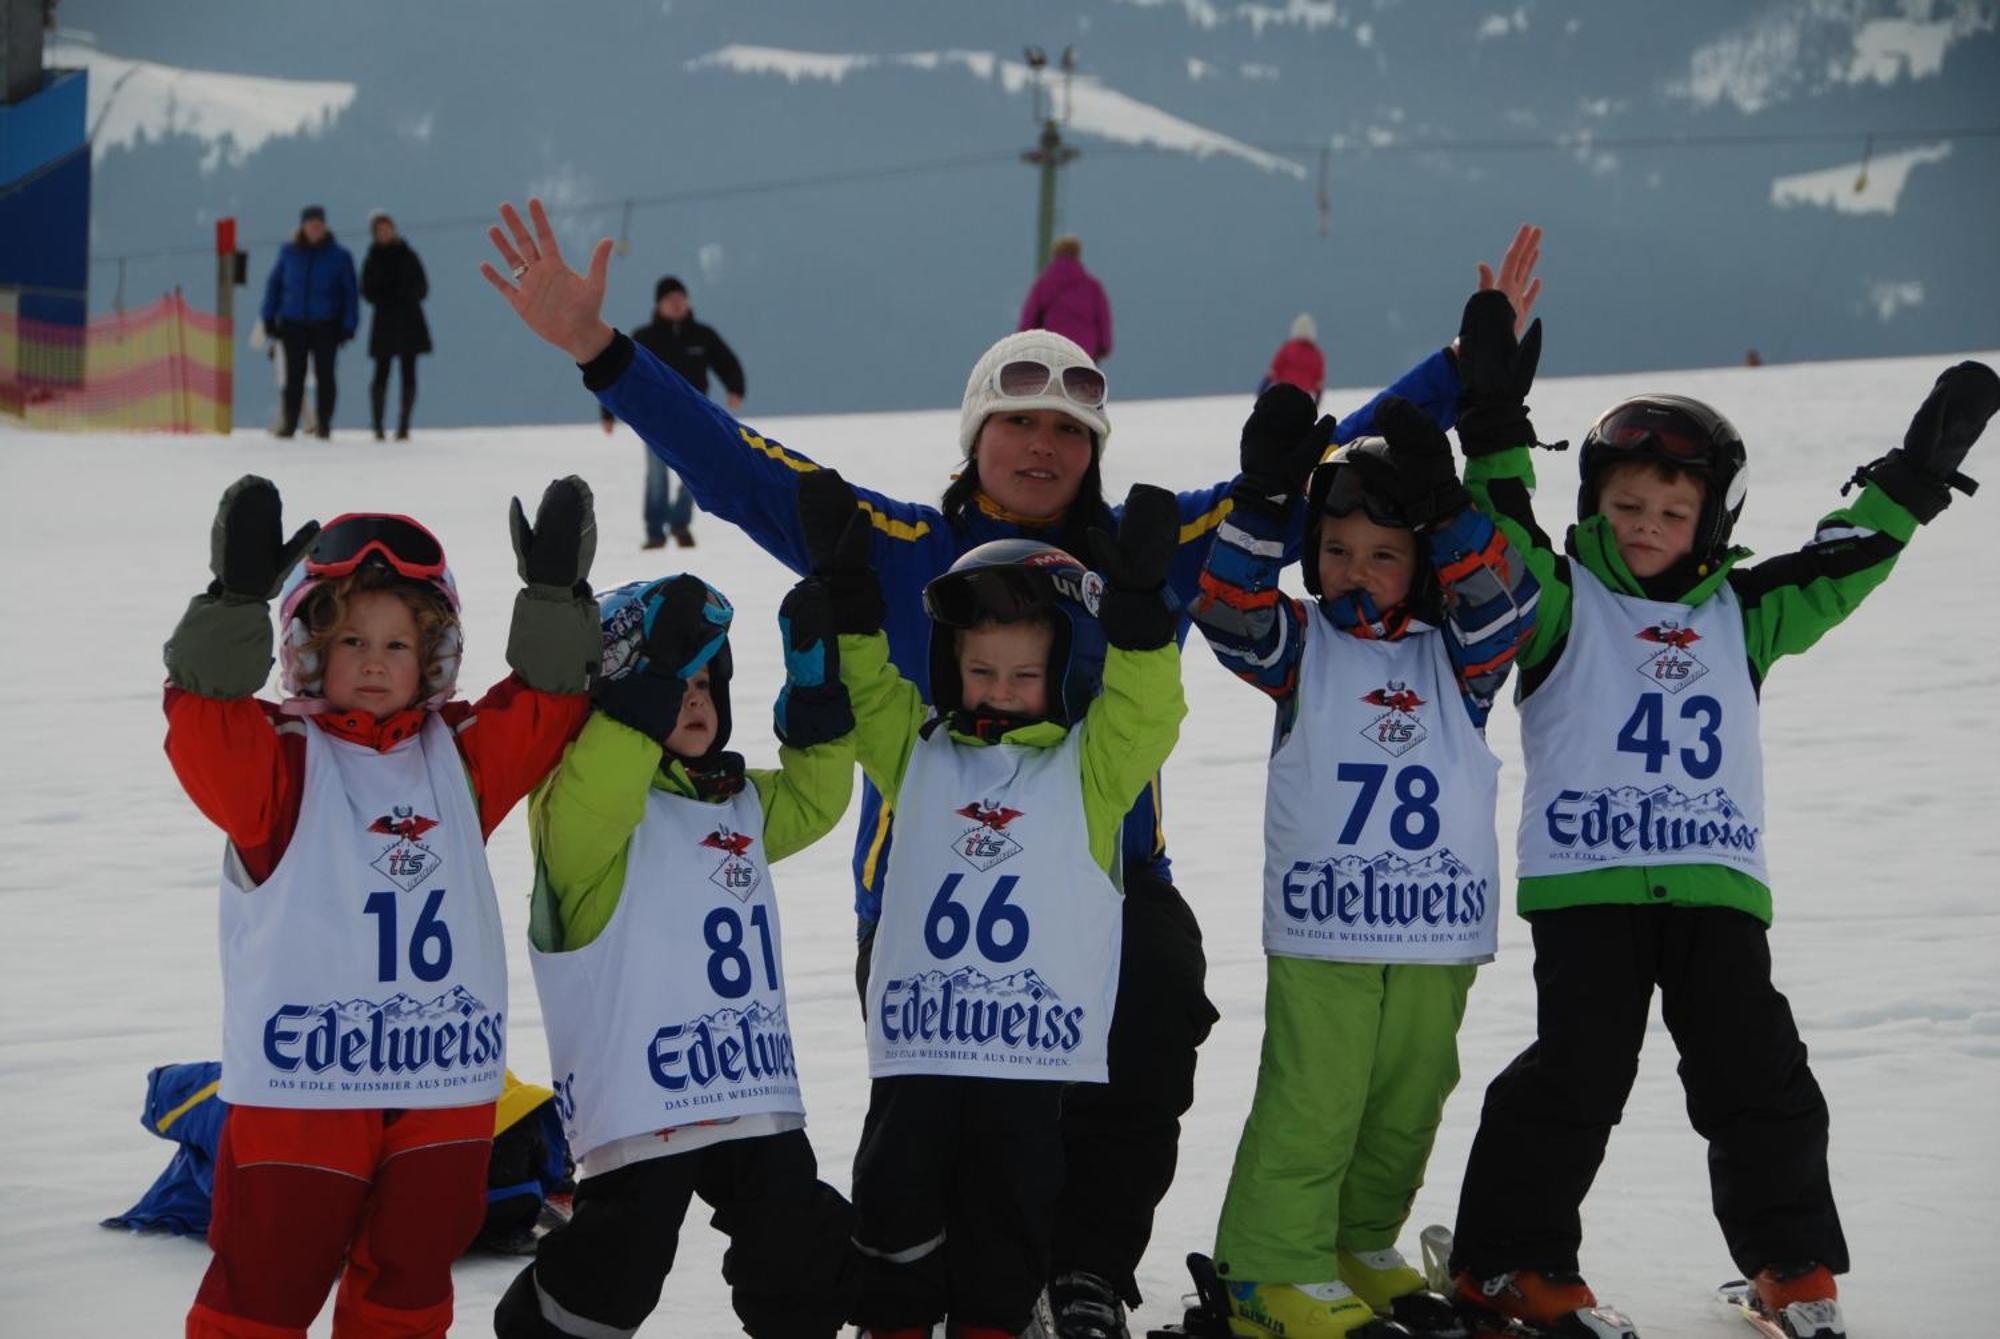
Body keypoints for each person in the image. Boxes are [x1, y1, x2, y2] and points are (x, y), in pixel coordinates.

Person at [480, 199, 1543, 1338]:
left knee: (1148, 1024)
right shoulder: (902, 554)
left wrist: (1451, 375)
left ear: (1093, 448)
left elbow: (1296, 477)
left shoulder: (1145, 548)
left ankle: (1081, 1273)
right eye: (1016, 422)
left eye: (1067, 431)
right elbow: (737, 470)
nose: (1042, 446)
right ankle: (933, 1291)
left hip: (1105, 883)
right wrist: (602, 352)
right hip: (932, 899)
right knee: (935, 1143)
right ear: (974, 437)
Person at [1443, 292, 2000, 1337]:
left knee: (1759, 1077)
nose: (1647, 527)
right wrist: (1487, 423)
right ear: (1592, 505)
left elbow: (1843, 560)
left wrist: (1913, 479)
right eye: (1625, 506)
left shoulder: (1740, 612)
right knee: (1574, 1075)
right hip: (1587, 885)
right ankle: (1506, 1264)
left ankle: (1789, 1261)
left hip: (1714, 886)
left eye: (1672, 511)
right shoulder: (1558, 602)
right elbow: (1504, 530)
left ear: (1710, 523)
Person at [162, 475, 601, 1337]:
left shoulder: (458, 759)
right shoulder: (280, 762)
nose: (372, 661)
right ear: (307, 648)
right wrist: (232, 603)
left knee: (407, 1289)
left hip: (441, 1087)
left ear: (432, 656)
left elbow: (547, 704)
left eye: (398, 645)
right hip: (304, 1091)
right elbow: (205, 725)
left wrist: (555, 599)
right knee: (264, 1287)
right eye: (352, 638)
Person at [797, 468, 1187, 1338]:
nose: (999, 690)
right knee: (896, 1187)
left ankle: (991, 1321)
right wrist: (855, 604)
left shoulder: (1087, 773)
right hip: (922, 1046)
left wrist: (1139, 623)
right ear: (950, 667)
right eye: (980, 670)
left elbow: (1146, 717)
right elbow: (868, 700)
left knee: (1009, 1199)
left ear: (1063, 674)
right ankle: (894, 1319)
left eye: (1022, 673)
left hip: (1028, 1056)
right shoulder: (920, 753)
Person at [1188, 370, 1539, 1337]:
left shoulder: (1460, 653)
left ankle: (1350, 1240)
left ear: (1420, 563)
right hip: (1327, 920)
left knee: (1406, 1101)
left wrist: (1451, 510)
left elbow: (1513, 607)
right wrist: (1263, 498)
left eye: (1384, 553)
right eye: (1336, 551)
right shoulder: (1302, 647)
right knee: (1318, 1094)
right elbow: (1226, 609)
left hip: (1437, 927)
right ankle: (1269, 1262)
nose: (1355, 569)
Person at [495, 571, 860, 1336]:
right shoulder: (580, 821)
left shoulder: (735, 799)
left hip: (749, 1088)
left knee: (796, 1244)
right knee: (620, 1261)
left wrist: (816, 693)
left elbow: (817, 802)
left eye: (703, 682)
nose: (693, 699)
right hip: (644, 1099)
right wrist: (642, 691)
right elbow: (600, 793)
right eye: (674, 684)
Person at [599, 276, 746, 549]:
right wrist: (608, 413)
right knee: (657, 476)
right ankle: (655, 531)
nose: (677, 305)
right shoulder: (644, 337)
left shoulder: (703, 335)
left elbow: (727, 362)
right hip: (654, 417)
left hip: (697, 415)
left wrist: (735, 388)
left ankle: (680, 523)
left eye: (681, 299)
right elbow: (616, 372)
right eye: (671, 300)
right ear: (658, 305)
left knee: (698, 470)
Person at [261, 205, 358, 439]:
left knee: (326, 376)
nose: (315, 228)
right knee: (294, 377)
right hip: (293, 323)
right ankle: (290, 423)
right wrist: (268, 317)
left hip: (327, 324)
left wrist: (349, 324)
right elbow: (274, 286)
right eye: (311, 224)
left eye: (319, 224)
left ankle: (324, 424)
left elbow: (351, 293)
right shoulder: (288, 253)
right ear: (303, 226)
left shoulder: (339, 256)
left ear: (324, 227)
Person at [360, 210, 432, 441]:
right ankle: (378, 425)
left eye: (387, 228)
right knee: (381, 373)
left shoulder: (409, 255)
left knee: (408, 373)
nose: (385, 233)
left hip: (409, 319)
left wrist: (404, 295)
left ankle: (403, 425)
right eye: (380, 230)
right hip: (384, 321)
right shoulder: (372, 258)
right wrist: (386, 297)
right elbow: (366, 290)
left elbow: (423, 287)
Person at [1018, 235, 1112, 361]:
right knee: (1080, 379)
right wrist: (1104, 347)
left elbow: (1029, 319)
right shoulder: (1093, 287)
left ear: (1055, 254)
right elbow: (1103, 321)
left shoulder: (1043, 284)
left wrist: (1022, 346)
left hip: (1051, 350)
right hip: (1084, 352)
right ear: (1077, 255)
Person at [1261, 313, 1326, 405]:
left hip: (1282, 396)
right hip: (1303, 399)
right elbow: (1319, 382)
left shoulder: (1287, 349)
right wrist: (1317, 402)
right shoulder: (1316, 354)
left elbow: (1274, 371)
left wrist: (1262, 387)